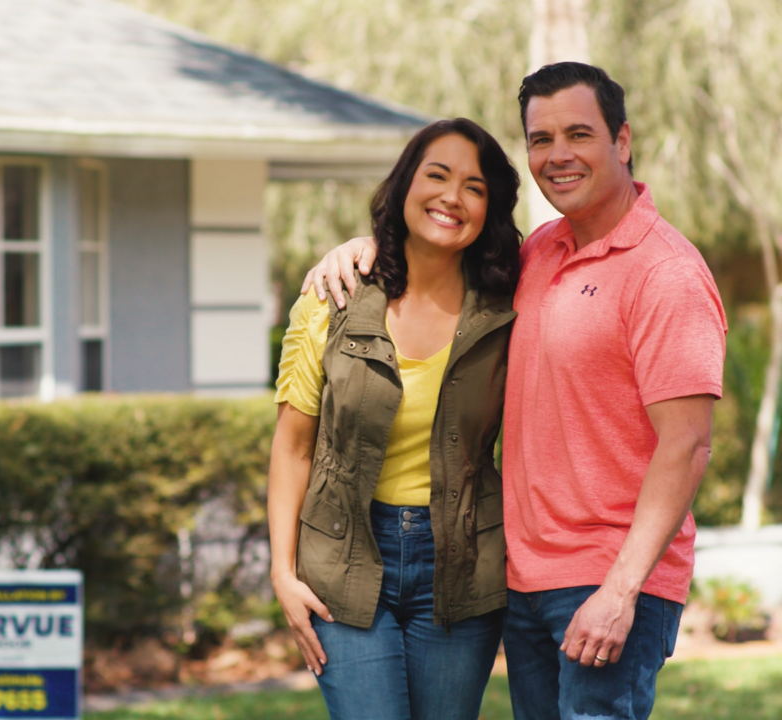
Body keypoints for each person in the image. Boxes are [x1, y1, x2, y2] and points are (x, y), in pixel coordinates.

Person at [301, 62, 727, 720]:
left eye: (579, 134)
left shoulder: (665, 272)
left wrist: (622, 589)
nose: (557, 156)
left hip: (608, 579)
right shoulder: (538, 254)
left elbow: (688, 443)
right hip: (523, 579)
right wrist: (363, 247)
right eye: (541, 139)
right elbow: (436, 250)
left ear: (622, 141)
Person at [268, 117, 522, 720]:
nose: (451, 197)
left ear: (490, 208)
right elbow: (292, 448)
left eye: (474, 187)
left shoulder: (510, 308)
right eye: (436, 175)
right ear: (405, 183)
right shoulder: (331, 299)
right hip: (344, 556)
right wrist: (282, 572)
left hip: (462, 561)